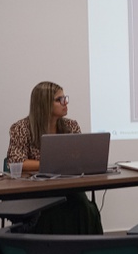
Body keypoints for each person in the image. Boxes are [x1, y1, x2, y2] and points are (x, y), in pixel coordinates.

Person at [7, 81, 103, 234]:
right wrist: (51, 164)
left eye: (65, 98)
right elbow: (17, 162)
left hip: (68, 186)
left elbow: (79, 158)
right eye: (60, 100)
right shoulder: (21, 128)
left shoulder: (71, 126)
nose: (65, 103)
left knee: (84, 207)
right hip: (36, 189)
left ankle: (85, 247)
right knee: (52, 212)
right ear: (44, 104)